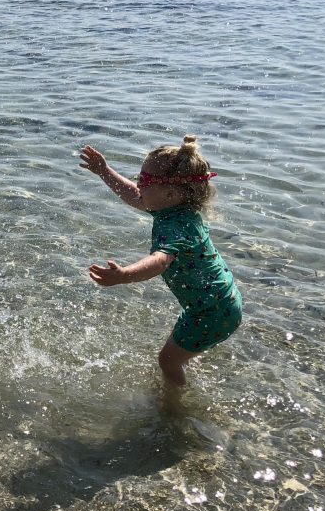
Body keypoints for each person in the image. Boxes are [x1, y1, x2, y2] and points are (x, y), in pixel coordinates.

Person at [79, 136, 242, 387]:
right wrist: (104, 171)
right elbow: (135, 196)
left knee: (167, 361)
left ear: (170, 192)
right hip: (220, 300)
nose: (138, 184)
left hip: (210, 312)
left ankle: (173, 407)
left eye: (144, 180)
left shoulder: (175, 227)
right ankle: (188, 359)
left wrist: (124, 275)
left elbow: (160, 261)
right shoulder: (176, 208)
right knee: (177, 352)